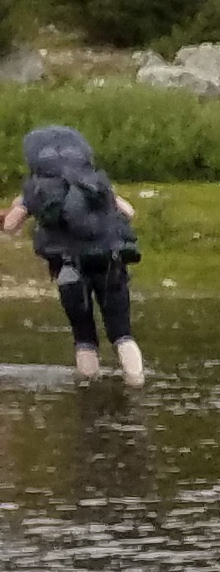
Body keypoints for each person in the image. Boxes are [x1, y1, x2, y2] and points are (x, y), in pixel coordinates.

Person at [8, 124, 147, 384]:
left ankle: (87, 386)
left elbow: (10, 225)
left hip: (69, 269)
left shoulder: (35, 190)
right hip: (110, 262)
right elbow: (129, 212)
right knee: (122, 333)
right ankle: (136, 382)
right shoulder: (95, 181)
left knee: (84, 336)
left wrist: (21, 207)